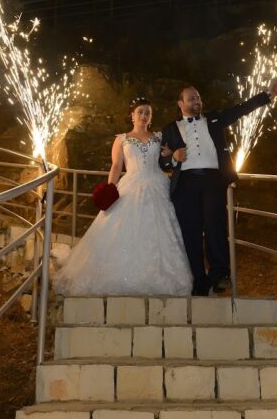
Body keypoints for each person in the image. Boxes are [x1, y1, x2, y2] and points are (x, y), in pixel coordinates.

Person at [54, 98, 193, 296]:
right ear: (132, 115)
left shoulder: (159, 137)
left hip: (157, 185)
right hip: (131, 184)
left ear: (151, 117)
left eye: (147, 112)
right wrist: (110, 189)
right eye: (140, 112)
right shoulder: (122, 139)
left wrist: (170, 155)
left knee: (160, 230)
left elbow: (165, 161)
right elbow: (117, 166)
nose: (143, 116)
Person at [160, 79, 277, 296]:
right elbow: (161, 161)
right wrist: (173, 158)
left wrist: (267, 94)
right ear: (180, 103)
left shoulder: (215, 119)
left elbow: (241, 109)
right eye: (191, 98)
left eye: (198, 97)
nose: (196, 100)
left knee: (215, 227)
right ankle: (199, 281)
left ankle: (220, 275)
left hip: (213, 180)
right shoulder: (170, 129)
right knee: (190, 233)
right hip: (186, 184)